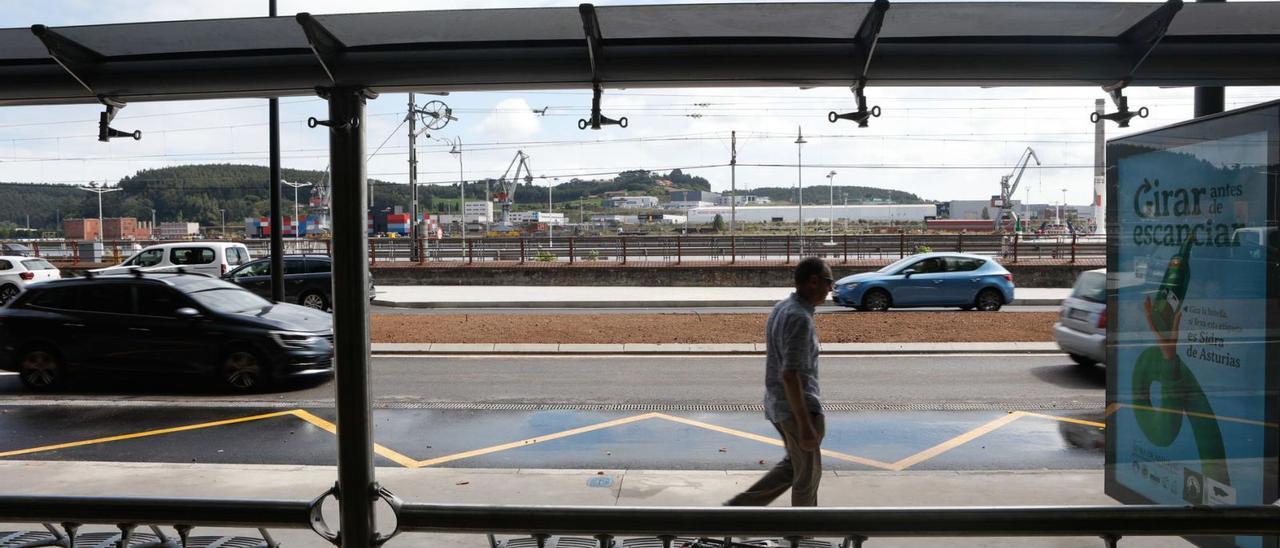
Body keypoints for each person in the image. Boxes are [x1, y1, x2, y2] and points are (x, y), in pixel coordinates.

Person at [725, 256, 832, 507]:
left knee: (794, 467)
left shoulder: (782, 307)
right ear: (814, 281)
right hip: (798, 410)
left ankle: (739, 510)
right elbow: (790, 374)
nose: (831, 289)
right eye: (829, 282)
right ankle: (801, 534)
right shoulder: (799, 318)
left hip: (779, 406)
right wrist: (805, 424)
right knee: (807, 477)